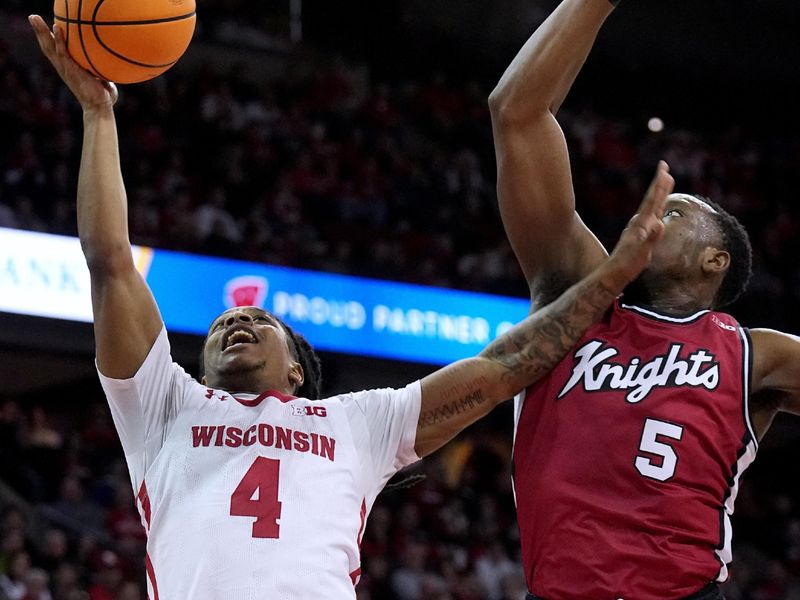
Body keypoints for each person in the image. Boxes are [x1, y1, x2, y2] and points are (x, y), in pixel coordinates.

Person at [29, 13, 674, 600]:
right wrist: (98, 116)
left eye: (259, 321)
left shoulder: (359, 424)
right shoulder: (164, 407)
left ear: (296, 373)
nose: (237, 323)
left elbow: (508, 366)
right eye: (226, 322)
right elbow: (110, 259)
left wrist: (612, 277)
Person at [488, 1, 800, 599]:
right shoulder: (574, 294)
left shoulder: (755, 354)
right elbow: (516, 114)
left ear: (716, 260)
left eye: (677, 213)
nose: (650, 213)